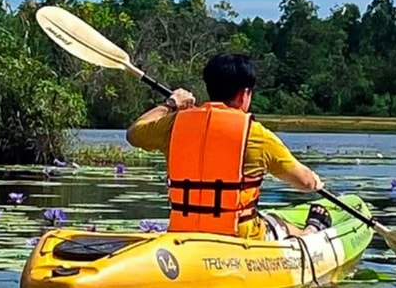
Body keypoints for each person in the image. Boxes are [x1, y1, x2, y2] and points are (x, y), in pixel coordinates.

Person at [125, 54, 323, 238]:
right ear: (243, 94)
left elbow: (134, 133)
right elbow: (304, 182)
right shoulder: (256, 134)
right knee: (278, 223)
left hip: (183, 233)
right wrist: (315, 181)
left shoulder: (175, 124)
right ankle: (312, 230)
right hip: (240, 236)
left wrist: (171, 104)